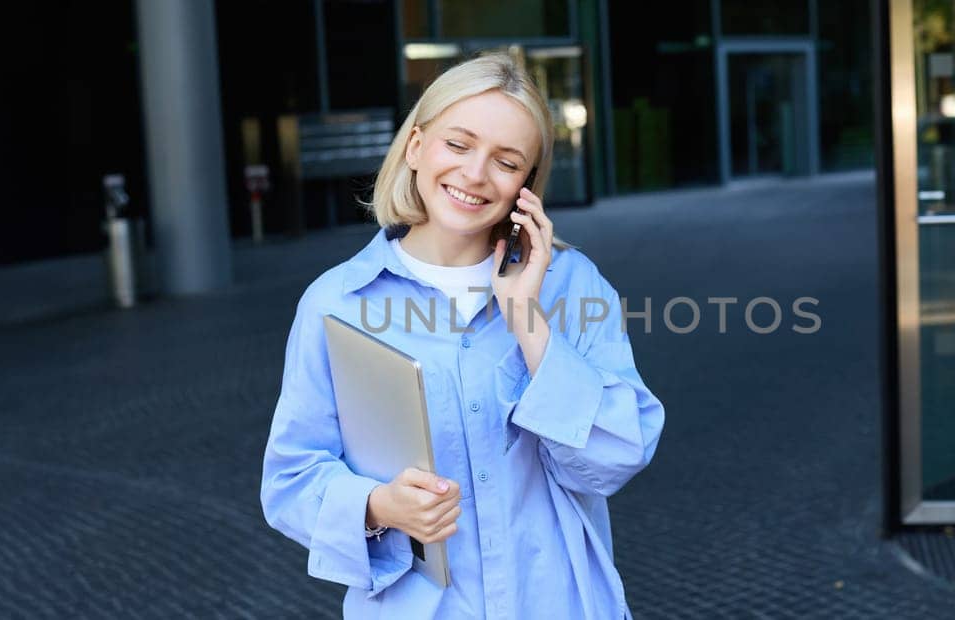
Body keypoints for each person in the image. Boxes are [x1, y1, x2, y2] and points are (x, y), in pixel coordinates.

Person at [259, 52, 666, 619]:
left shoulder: (572, 284)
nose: (475, 174)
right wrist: (378, 506)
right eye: (458, 144)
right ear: (417, 145)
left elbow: (619, 455)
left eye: (506, 161)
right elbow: (290, 481)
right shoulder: (336, 303)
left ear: (527, 185)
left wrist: (528, 321)